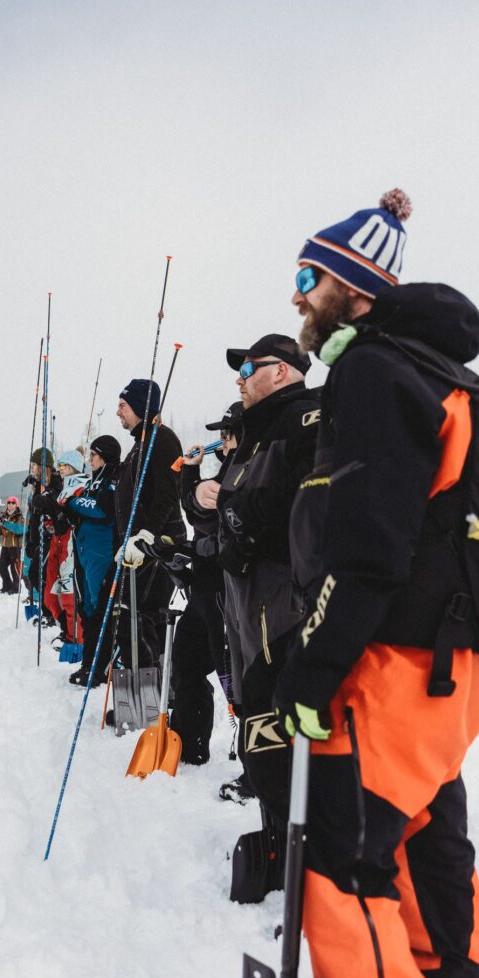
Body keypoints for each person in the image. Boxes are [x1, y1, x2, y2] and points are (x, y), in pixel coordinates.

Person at [273, 189, 479, 978]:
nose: (295, 294)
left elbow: (366, 547)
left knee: (345, 865)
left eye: (306, 275)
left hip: (386, 671)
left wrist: (309, 671)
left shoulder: (370, 372)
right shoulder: (450, 377)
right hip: (448, 670)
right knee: (430, 855)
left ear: (353, 290)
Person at [216, 334, 320, 898]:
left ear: (281, 372)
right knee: (251, 711)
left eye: (248, 368)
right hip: (241, 591)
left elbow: (303, 504)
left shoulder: (305, 419)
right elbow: (231, 507)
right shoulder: (251, 439)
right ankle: (277, 833)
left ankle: (297, 847)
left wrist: (240, 517)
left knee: (272, 712)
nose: (240, 377)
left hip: (281, 593)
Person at [165, 402, 243, 764]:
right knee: (185, 663)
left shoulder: (244, 471)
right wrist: (191, 472)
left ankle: (251, 763)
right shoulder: (226, 468)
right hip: (204, 588)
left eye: (227, 434)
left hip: (228, 594)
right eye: (221, 434)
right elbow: (195, 513)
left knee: (235, 679)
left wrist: (193, 482)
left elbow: (207, 520)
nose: (222, 441)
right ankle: (189, 744)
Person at [114, 378, 185, 667]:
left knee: (137, 614)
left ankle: (149, 696)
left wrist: (146, 536)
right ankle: (155, 692)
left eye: (123, 405)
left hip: (157, 543)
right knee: (139, 615)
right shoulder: (139, 444)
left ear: (140, 407)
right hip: (138, 545)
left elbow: (168, 494)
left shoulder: (162, 439)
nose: (118, 412)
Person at [63, 434, 122, 687]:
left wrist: (73, 503)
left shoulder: (112, 481)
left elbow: (102, 509)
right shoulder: (93, 482)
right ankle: (89, 663)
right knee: (87, 610)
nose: (90, 460)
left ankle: (101, 665)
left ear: (105, 457)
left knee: (100, 611)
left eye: (94, 456)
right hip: (84, 553)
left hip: (102, 554)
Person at [33, 450, 87, 647]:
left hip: (71, 541)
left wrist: (53, 506)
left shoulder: (81, 484)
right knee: (50, 593)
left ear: (72, 466)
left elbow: (71, 508)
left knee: (69, 592)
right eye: (60, 466)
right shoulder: (65, 485)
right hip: (58, 539)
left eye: (64, 466)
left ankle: (77, 639)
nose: (60, 470)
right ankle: (66, 628)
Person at [25, 447, 60, 626]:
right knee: (34, 574)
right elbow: (33, 516)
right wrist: (30, 541)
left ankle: (52, 614)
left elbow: (55, 505)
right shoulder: (38, 484)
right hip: (38, 537)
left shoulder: (54, 483)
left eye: (35, 465)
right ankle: (48, 612)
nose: (32, 468)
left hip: (52, 538)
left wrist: (44, 498)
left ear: (42, 466)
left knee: (44, 576)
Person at [0, 496, 24, 593]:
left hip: (15, 546)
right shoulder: (4, 516)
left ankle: (16, 588)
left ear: (16, 505)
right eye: (9, 502)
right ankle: (7, 585)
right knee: (1, 567)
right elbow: (2, 529)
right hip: (5, 546)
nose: (10, 504)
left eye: (13, 503)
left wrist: (5, 523)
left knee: (14, 568)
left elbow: (18, 529)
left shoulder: (19, 516)